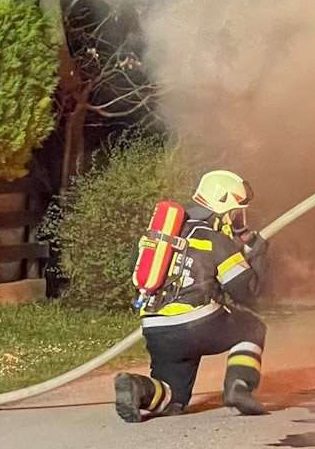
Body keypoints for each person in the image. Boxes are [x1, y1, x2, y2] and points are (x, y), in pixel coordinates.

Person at [113, 170, 271, 422]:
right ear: (222, 208)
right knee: (252, 327)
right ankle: (239, 385)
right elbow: (247, 293)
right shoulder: (216, 240)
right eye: (235, 214)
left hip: (157, 328)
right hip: (200, 323)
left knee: (173, 399)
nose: (236, 221)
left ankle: (137, 387)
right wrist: (257, 255)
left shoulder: (157, 235)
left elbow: (135, 267)